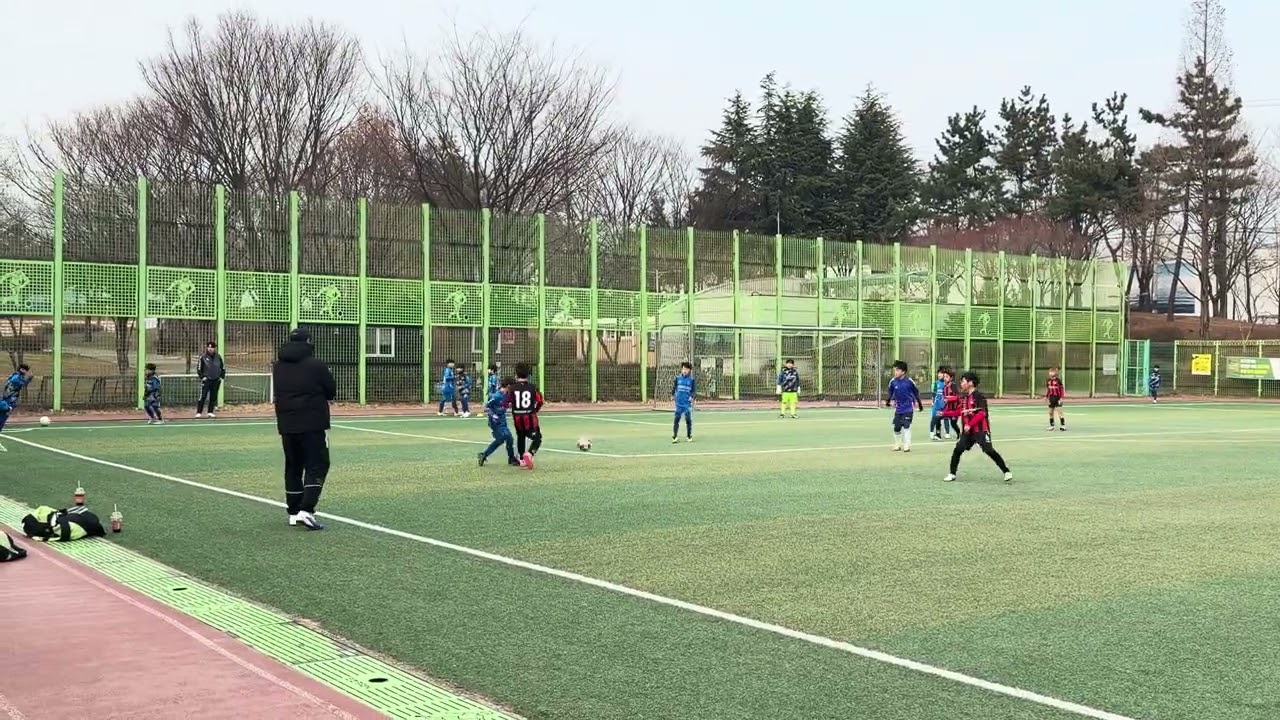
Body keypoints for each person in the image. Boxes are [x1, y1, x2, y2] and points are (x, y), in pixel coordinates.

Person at [272, 328, 336, 530]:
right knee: (317, 464)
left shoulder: (278, 366)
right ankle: (306, 510)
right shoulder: (316, 365)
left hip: (286, 423)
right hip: (312, 422)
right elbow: (331, 391)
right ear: (308, 342)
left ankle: (293, 511)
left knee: (293, 466)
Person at [944, 371, 1013, 483]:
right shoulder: (964, 397)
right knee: (958, 450)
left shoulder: (979, 397)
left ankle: (1006, 471)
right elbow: (959, 412)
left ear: (970, 383)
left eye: (963, 381)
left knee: (988, 450)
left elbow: (982, 414)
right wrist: (944, 414)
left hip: (980, 430)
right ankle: (952, 473)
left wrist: (970, 425)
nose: (961, 384)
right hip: (968, 432)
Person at [506, 362, 544, 469]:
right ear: (528, 374)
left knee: (521, 436)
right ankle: (530, 453)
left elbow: (507, 402)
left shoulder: (512, 388)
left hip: (517, 418)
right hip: (530, 418)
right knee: (538, 438)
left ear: (516, 374)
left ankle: (522, 459)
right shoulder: (532, 388)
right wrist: (535, 410)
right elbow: (540, 400)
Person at [477, 378, 519, 467]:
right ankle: (511, 458)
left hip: (502, 421)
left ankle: (484, 455)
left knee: (502, 440)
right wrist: (493, 415)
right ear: (508, 386)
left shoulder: (508, 395)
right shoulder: (496, 396)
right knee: (508, 437)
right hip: (495, 422)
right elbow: (487, 407)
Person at [885, 360, 923, 452]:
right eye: (895, 370)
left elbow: (916, 392)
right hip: (898, 408)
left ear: (903, 372)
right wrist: (888, 400)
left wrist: (920, 404)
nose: (895, 372)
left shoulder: (909, 382)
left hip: (908, 407)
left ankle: (907, 445)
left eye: (897, 370)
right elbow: (890, 391)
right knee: (896, 428)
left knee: (906, 426)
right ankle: (897, 444)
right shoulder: (893, 381)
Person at [0, 364, 33, 451]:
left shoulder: (18, 376)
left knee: (2, 420)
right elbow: (17, 382)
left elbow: (23, 383)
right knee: (2, 418)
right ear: (21, 369)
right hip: (5, 401)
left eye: (26, 370)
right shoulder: (16, 377)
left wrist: (28, 380)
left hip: (9, 402)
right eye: (24, 370)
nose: (25, 372)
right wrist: (27, 380)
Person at [196, 341, 225, 418]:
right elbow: (199, 368)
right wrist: (202, 377)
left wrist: (221, 377)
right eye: (209, 347)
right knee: (203, 396)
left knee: (213, 396)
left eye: (211, 347)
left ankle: (210, 412)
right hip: (207, 380)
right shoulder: (203, 357)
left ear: (214, 348)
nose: (210, 349)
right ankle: (199, 412)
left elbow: (222, 367)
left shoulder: (218, 357)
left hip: (216, 379)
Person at [672, 361, 696, 443]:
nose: (684, 370)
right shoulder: (677, 378)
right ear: (681, 369)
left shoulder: (691, 380)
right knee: (676, 420)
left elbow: (693, 391)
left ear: (689, 370)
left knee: (688, 420)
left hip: (687, 404)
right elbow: (674, 388)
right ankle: (674, 436)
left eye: (686, 369)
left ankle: (689, 436)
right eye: (683, 369)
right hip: (679, 403)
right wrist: (672, 395)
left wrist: (691, 397)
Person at [929, 366, 948, 440]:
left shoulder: (947, 383)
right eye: (939, 373)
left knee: (945, 418)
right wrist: (933, 401)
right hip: (937, 405)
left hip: (944, 405)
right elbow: (934, 393)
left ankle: (946, 433)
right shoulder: (936, 383)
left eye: (941, 373)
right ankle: (932, 433)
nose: (939, 375)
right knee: (934, 418)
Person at [1045, 367, 1066, 431]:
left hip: (1057, 398)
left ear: (1056, 374)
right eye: (1050, 372)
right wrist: (1046, 397)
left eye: (1052, 372)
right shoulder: (1048, 381)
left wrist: (1061, 398)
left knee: (1060, 412)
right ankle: (1052, 426)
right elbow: (1048, 389)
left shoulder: (1058, 381)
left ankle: (1063, 425)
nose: (1051, 374)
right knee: (1050, 412)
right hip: (1051, 398)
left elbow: (1062, 390)